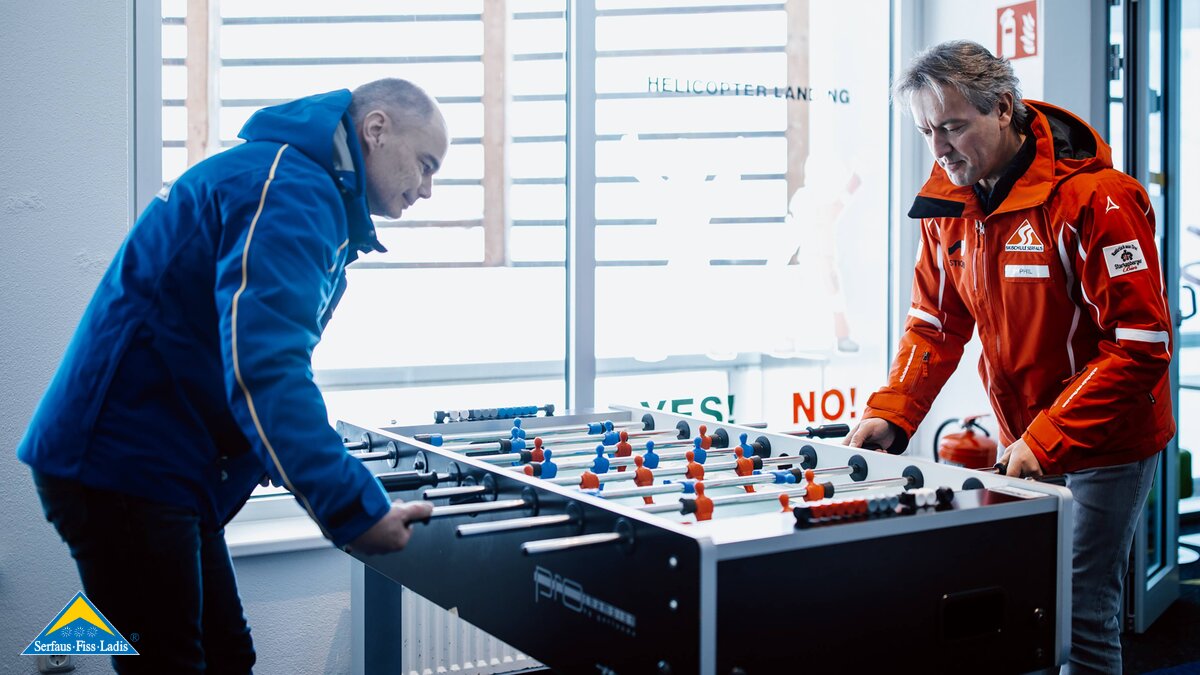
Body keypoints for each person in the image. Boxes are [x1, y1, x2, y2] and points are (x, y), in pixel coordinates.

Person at [18, 78, 448, 674]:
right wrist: (355, 511)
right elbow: (266, 368)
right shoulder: (291, 190)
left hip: (162, 462)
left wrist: (262, 449)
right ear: (376, 130)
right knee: (174, 664)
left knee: (226, 658)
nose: (426, 190)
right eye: (425, 165)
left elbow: (231, 347)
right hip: (124, 464)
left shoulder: (293, 184)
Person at [847, 41, 1174, 674]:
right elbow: (934, 325)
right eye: (925, 131)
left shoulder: (1098, 199)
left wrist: (1048, 438)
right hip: (1025, 436)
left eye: (951, 127)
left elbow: (1140, 346)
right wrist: (892, 411)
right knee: (1028, 602)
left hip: (1106, 440)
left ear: (1002, 108)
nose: (939, 148)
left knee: (1080, 610)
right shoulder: (948, 203)